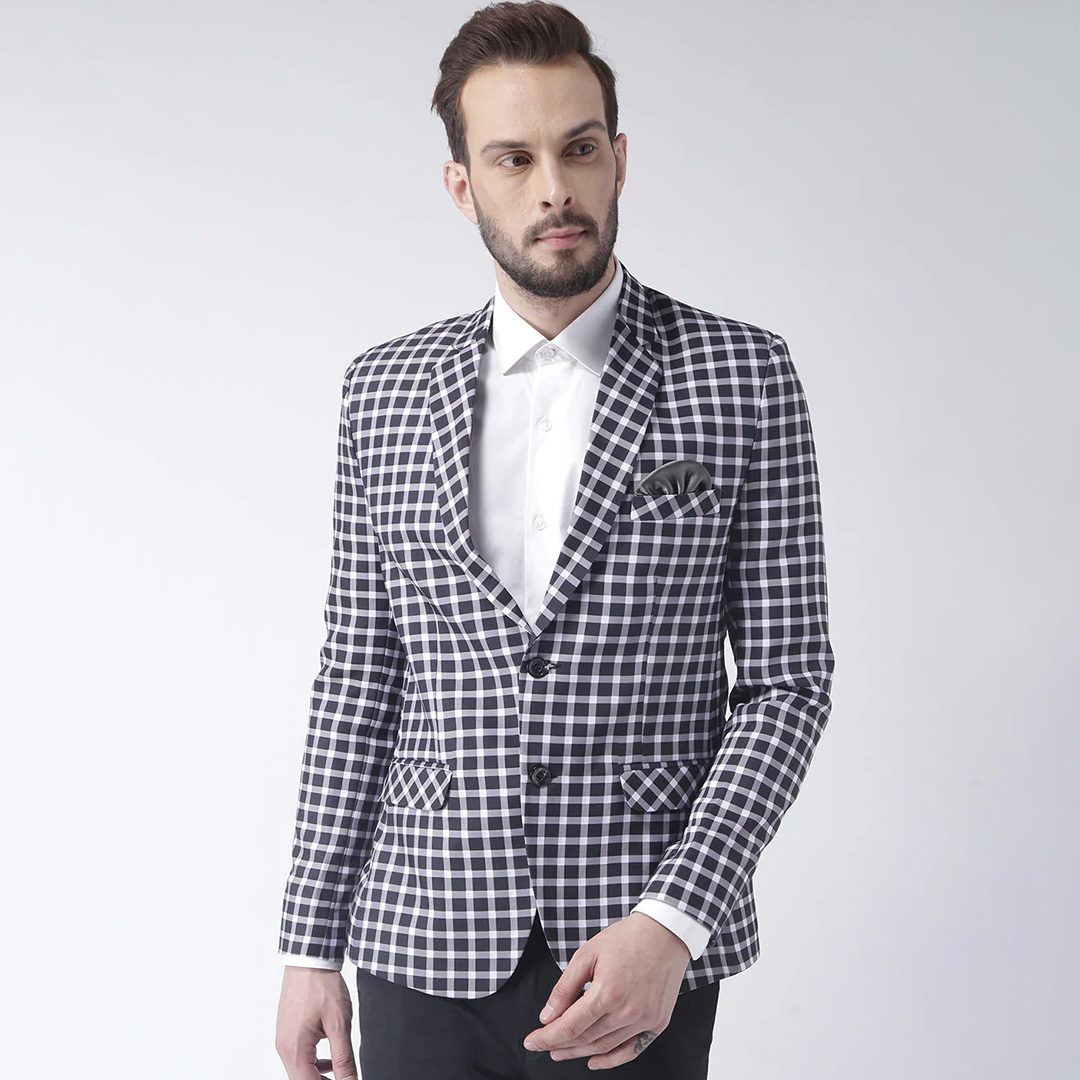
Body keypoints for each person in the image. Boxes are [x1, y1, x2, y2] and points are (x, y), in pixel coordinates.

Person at [274, 3, 835, 1077]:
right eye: (513, 158)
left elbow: (787, 683)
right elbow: (360, 675)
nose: (553, 190)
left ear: (619, 159)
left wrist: (675, 918)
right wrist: (309, 945)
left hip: (636, 946)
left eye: (578, 150)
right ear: (462, 184)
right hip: (419, 935)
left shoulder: (743, 374)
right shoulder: (382, 389)